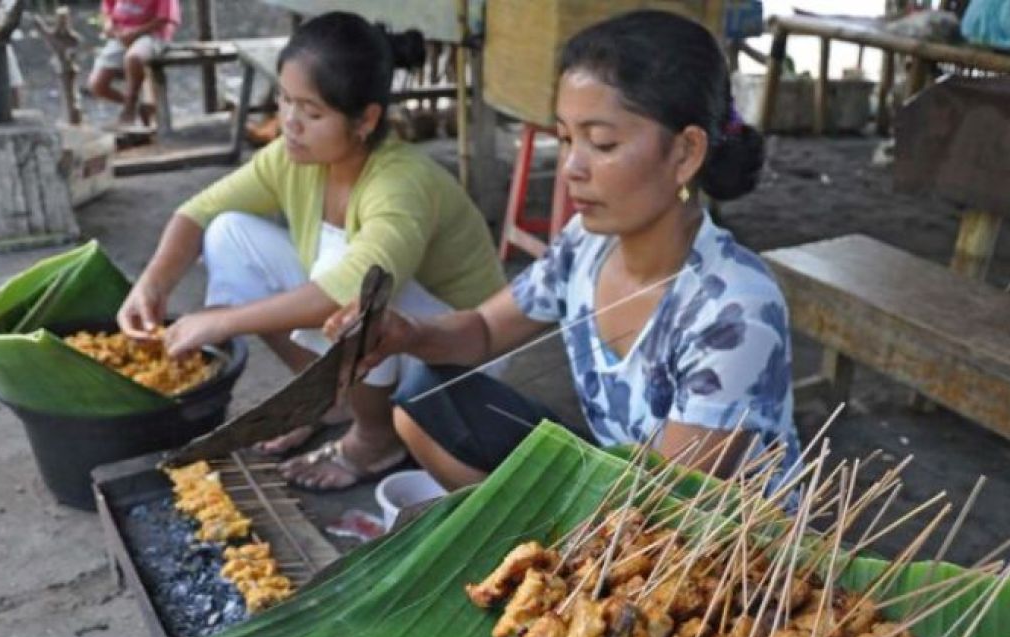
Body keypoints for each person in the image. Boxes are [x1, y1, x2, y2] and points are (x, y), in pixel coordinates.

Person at [329, 10, 799, 491]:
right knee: (424, 402)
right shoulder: (586, 244)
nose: (571, 167)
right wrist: (406, 334)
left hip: (704, 536)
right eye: (567, 138)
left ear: (685, 154)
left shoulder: (735, 310)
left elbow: (669, 499)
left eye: (602, 143)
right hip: (622, 482)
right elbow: (486, 330)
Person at [116, 12, 506, 489]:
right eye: (284, 101)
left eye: (312, 112)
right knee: (228, 232)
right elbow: (199, 212)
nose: (290, 124)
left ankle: (375, 438)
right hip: (383, 335)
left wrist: (217, 321)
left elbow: (357, 287)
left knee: (358, 288)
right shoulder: (292, 158)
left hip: (457, 356)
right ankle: (328, 399)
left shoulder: (400, 182)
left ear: (366, 119)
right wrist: (152, 285)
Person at [87, 0, 181, 128]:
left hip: (153, 34)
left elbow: (165, 19)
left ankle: (129, 109)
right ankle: (140, 107)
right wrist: (108, 24)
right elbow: (107, 8)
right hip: (122, 34)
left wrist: (136, 33)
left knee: (134, 57)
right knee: (97, 85)